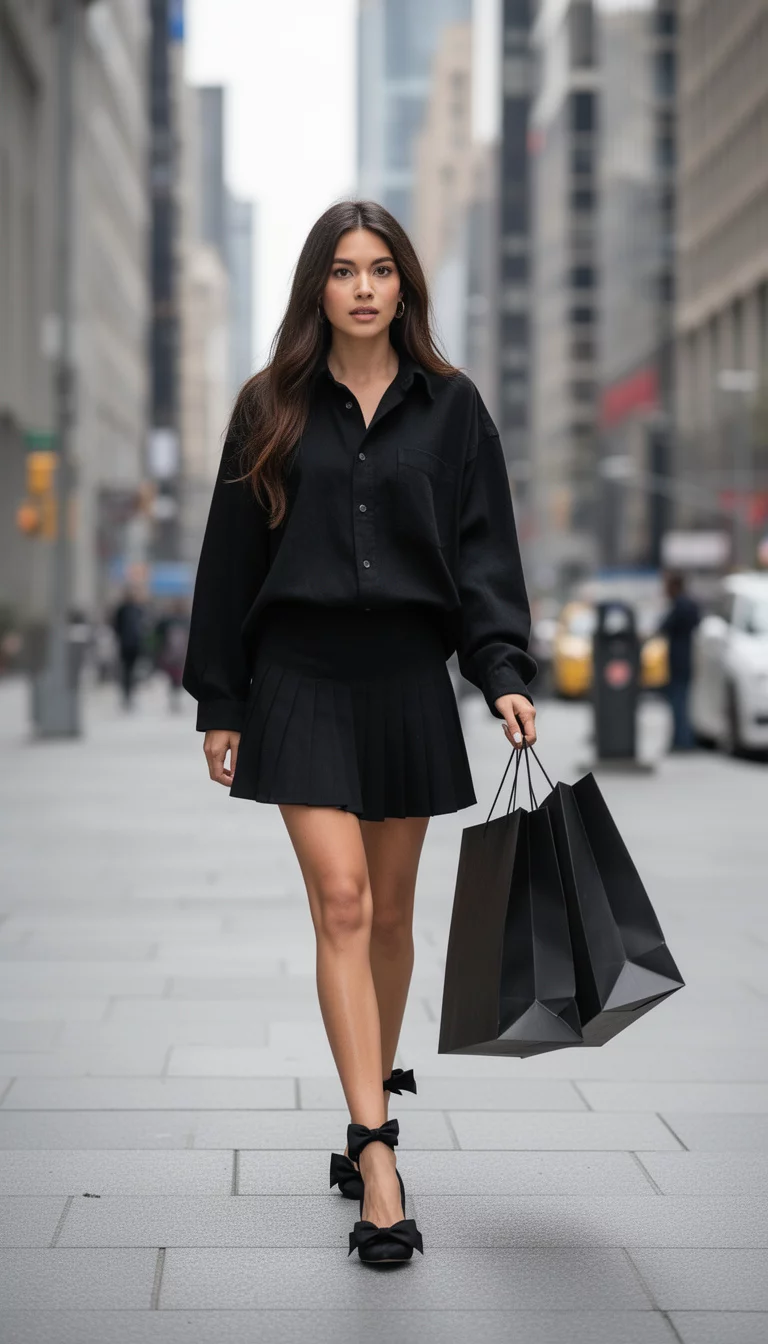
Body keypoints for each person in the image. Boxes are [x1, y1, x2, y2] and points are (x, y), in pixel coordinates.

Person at [182, 200, 538, 1265]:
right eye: (344, 271)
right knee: (341, 900)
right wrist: (220, 701)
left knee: (389, 921)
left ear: (405, 287)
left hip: (406, 683)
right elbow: (229, 561)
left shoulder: (455, 409)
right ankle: (379, 1159)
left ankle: (359, 1105)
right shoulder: (270, 408)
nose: (366, 288)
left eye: (382, 269)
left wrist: (504, 672)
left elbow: (484, 561)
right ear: (318, 290)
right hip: (298, 676)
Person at [658, 571, 701, 751]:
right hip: (685, 659)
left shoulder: (680, 605)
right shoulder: (689, 604)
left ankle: (682, 741)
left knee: (678, 703)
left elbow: (664, 627)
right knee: (681, 702)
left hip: (679, 661)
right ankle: (682, 740)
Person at [111, 588, 145, 710]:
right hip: (126, 645)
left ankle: (130, 693)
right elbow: (116, 626)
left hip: (133, 645)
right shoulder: (124, 610)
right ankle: (126, 694)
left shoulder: (137, 609)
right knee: (126, 670)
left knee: (130, 670)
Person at [153, 599, 189, 712]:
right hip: (175, 653)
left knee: (175, 675)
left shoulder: (173, 620)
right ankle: (175, 696)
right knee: (175, 675)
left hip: (174, 653)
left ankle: (174, 696)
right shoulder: (182, 620)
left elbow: (158, 632)